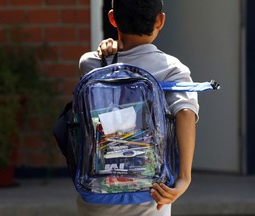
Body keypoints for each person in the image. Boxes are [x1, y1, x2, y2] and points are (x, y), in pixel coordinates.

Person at [77, 0, 199, 215]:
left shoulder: (91, 63)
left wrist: (113, 45)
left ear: (112, 18)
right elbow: (186, 113)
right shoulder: (172, 68)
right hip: (151, 195)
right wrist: (184, 179)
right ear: (160, 21)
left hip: (97, 194)